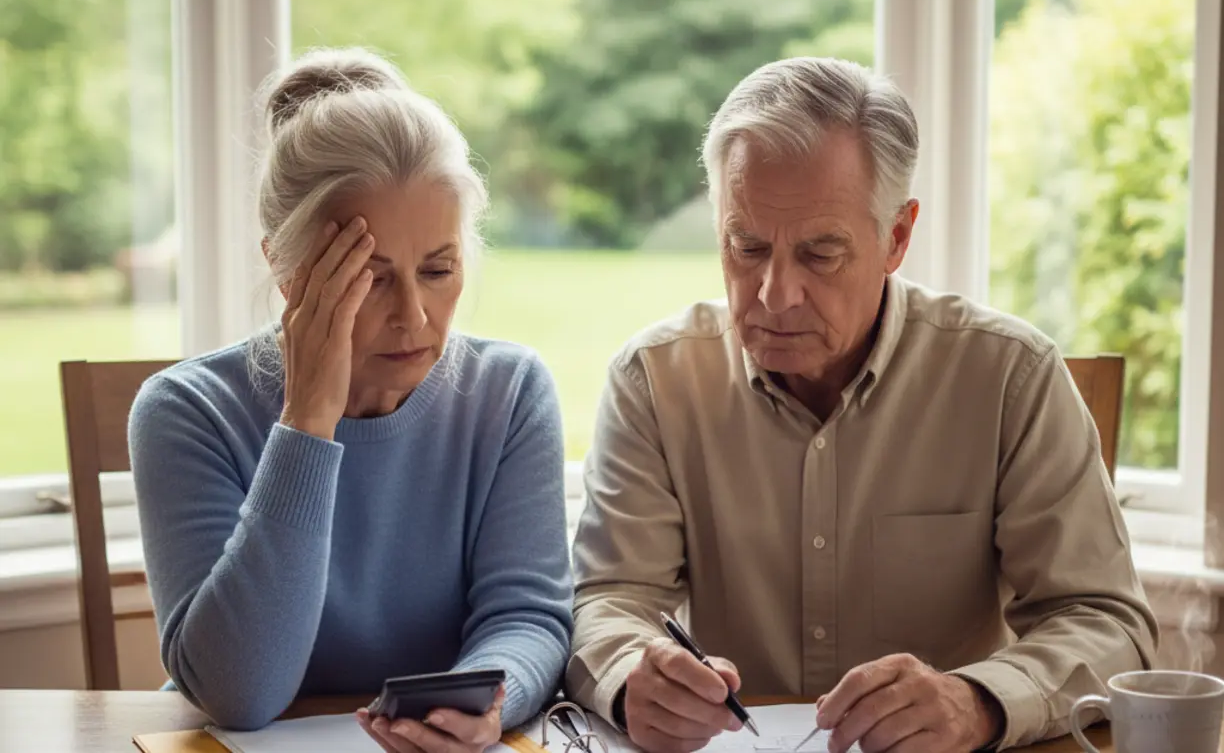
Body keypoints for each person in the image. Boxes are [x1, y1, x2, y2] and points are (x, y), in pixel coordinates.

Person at [565, 58, 1157, 753]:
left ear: (897, 238)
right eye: (746, 246)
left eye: (820, 254)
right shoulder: (654, 383)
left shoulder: (1010, 378)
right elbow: (608, 602)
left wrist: (977, 703)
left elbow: (1109, 624)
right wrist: (635, 676)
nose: (773, 293)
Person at [130, 48, 573, 751]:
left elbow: (527, 616)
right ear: (286, 268)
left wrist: (489, 701)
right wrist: (307, 419)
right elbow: (238, 694)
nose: (416, 318)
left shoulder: (508, 393)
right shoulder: (186, 412)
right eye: (369, 278)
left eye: (439, 269)